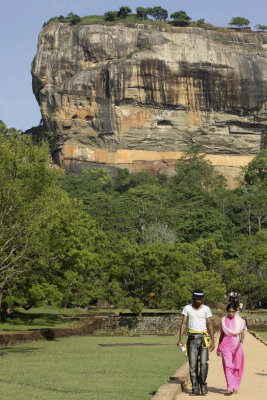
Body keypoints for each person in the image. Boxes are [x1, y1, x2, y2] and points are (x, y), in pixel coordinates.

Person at [177, 289, 215, 396]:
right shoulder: (187, 308)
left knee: (203, 363)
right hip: (192, 339)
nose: (199, 301)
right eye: (197, 299)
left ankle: (203, 384)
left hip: (203, 339)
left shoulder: (206, 309)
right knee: (192, 365)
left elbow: (210, 324)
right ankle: (195, 388)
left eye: (201, 299)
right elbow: (184, 323)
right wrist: (180, 338)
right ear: (193, 299)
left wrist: (213, 340)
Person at [217, 303, 246, 395]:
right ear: (227, 311)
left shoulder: (240, 321)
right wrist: (219, 346)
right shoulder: (223, 321)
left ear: (236, 311)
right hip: (226, 346)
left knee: (237, 367)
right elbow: (222, 334)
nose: (231, 313)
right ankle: (230, 387)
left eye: (233, 312)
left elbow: (242, 332)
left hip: (237, 345)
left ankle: (236, 386)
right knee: (228, 366)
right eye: (229, 312)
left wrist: (242, 339)